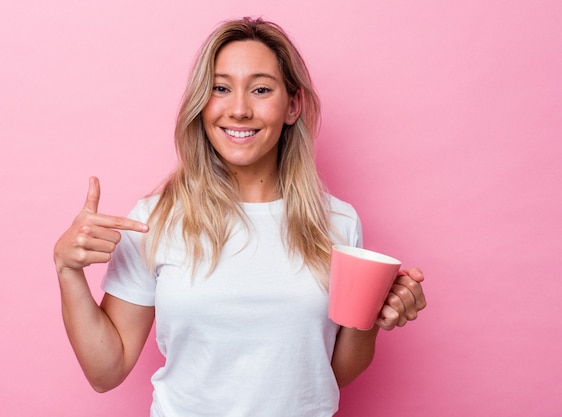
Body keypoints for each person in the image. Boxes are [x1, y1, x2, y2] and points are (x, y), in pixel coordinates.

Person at [54, 17, 426, 417]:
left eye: (261, 89)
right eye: (220, 88)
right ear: (202, 101)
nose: (239, 109)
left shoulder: (337, 222)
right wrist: (67, 270)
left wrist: (377, 311)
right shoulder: (155, 219)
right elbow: (104, 372)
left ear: (293, 105)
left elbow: (331, 374)